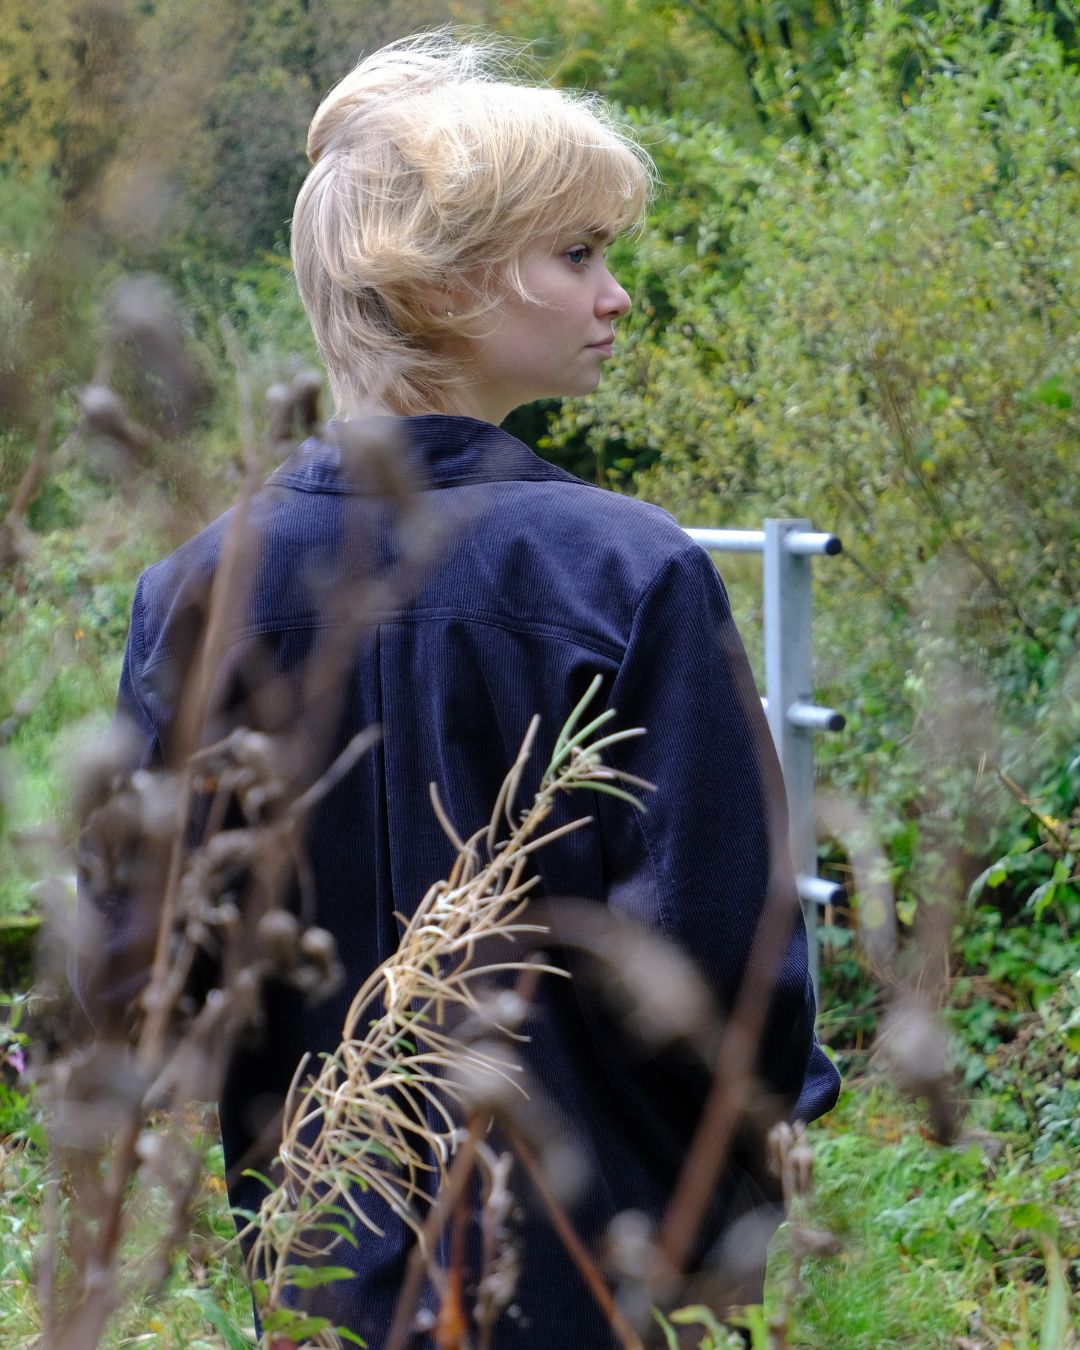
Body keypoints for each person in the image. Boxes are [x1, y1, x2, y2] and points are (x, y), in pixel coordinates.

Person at [82, 32, 839, 1348]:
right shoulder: (631, 572)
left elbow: (139, 970)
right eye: (578, 253)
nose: (615, 297)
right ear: (442, 283)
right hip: (591, 1273)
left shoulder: (197, 592)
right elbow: (724, 960)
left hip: (318, 1279)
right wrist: (764, 1147)